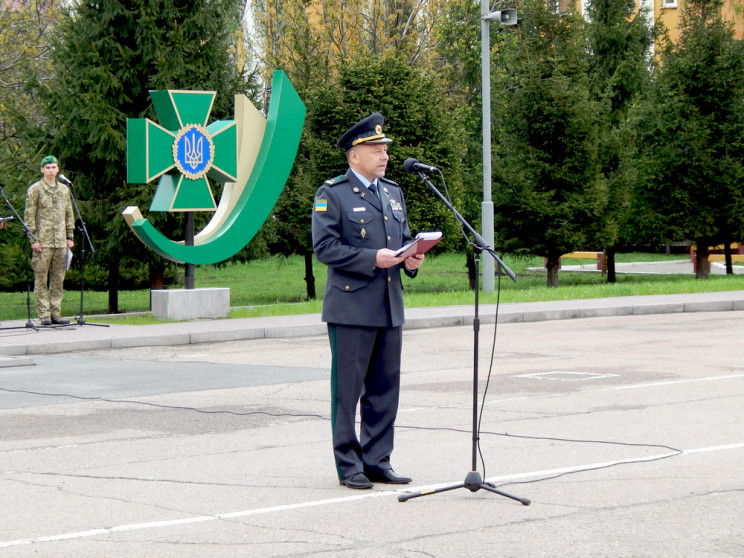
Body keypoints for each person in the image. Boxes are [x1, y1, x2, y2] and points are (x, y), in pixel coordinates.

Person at [312, 113, 425, 489]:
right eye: (375, 149)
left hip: (388, 305)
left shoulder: (392, 192)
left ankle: (378, 461)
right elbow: (325, 248)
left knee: (384, 389)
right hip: (351, 308)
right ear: (353, 156)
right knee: (348, 391)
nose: (384, 155)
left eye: (385, 149)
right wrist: (369, 259)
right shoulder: (333, 193)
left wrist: (412, 259)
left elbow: (403, 238)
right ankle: (349, 465)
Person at [24, 155, 75, 326]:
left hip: (60, 241)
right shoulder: (36, 189)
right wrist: (33, 238)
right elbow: (29, 215)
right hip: (43, 242)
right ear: (42, 170)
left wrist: (70, 236)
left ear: (58, 169)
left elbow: (69, 213)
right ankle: (44, 315)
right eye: (48, 168)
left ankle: (56, 313)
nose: (51, 171)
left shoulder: (64, 190)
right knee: (41, 279)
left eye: (53, 167)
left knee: (58, 279)